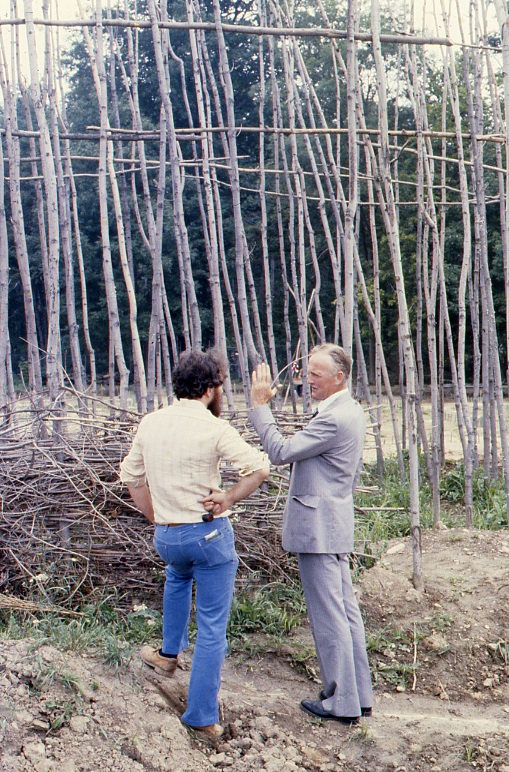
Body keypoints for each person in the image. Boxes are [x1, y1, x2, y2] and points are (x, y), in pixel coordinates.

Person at [120, 349, 269, 738]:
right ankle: (201, 716)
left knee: (177, 575)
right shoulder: (213, 427)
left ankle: (168, 656)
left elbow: (132, 478)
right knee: (212, 628)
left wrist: (157, 516)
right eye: (220, 386)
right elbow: (259, 468)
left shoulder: (151, 423)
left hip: (168, 536)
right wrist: (230, 497)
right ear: (209, 387)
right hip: (208, 535)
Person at [249, 344, 373, 725]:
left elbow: (280, 450)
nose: (309, 381)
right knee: (345, 611)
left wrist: (259, 407)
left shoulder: (333, 418)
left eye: (316, 375)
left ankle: (341, 703)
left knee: (329, 614)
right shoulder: (348, 410)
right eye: (307, 373)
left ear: (339, 377)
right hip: (334, 523)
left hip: (320, 528)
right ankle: (358, 696)